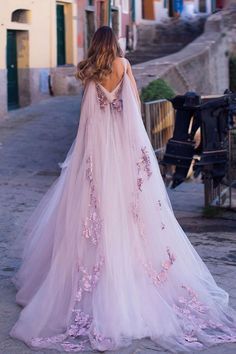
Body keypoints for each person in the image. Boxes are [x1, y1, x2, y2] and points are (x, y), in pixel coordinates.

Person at [10, 26, 236, 353]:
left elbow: (87, 122)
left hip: (98, 155)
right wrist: (139, 153)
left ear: (94, 45)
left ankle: (91, 286)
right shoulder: (124, 65)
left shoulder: (91, 73)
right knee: (134, 216)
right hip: (124, 152)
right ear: (114, 44)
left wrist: (84, 160)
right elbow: (134, 110)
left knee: (92, 217)